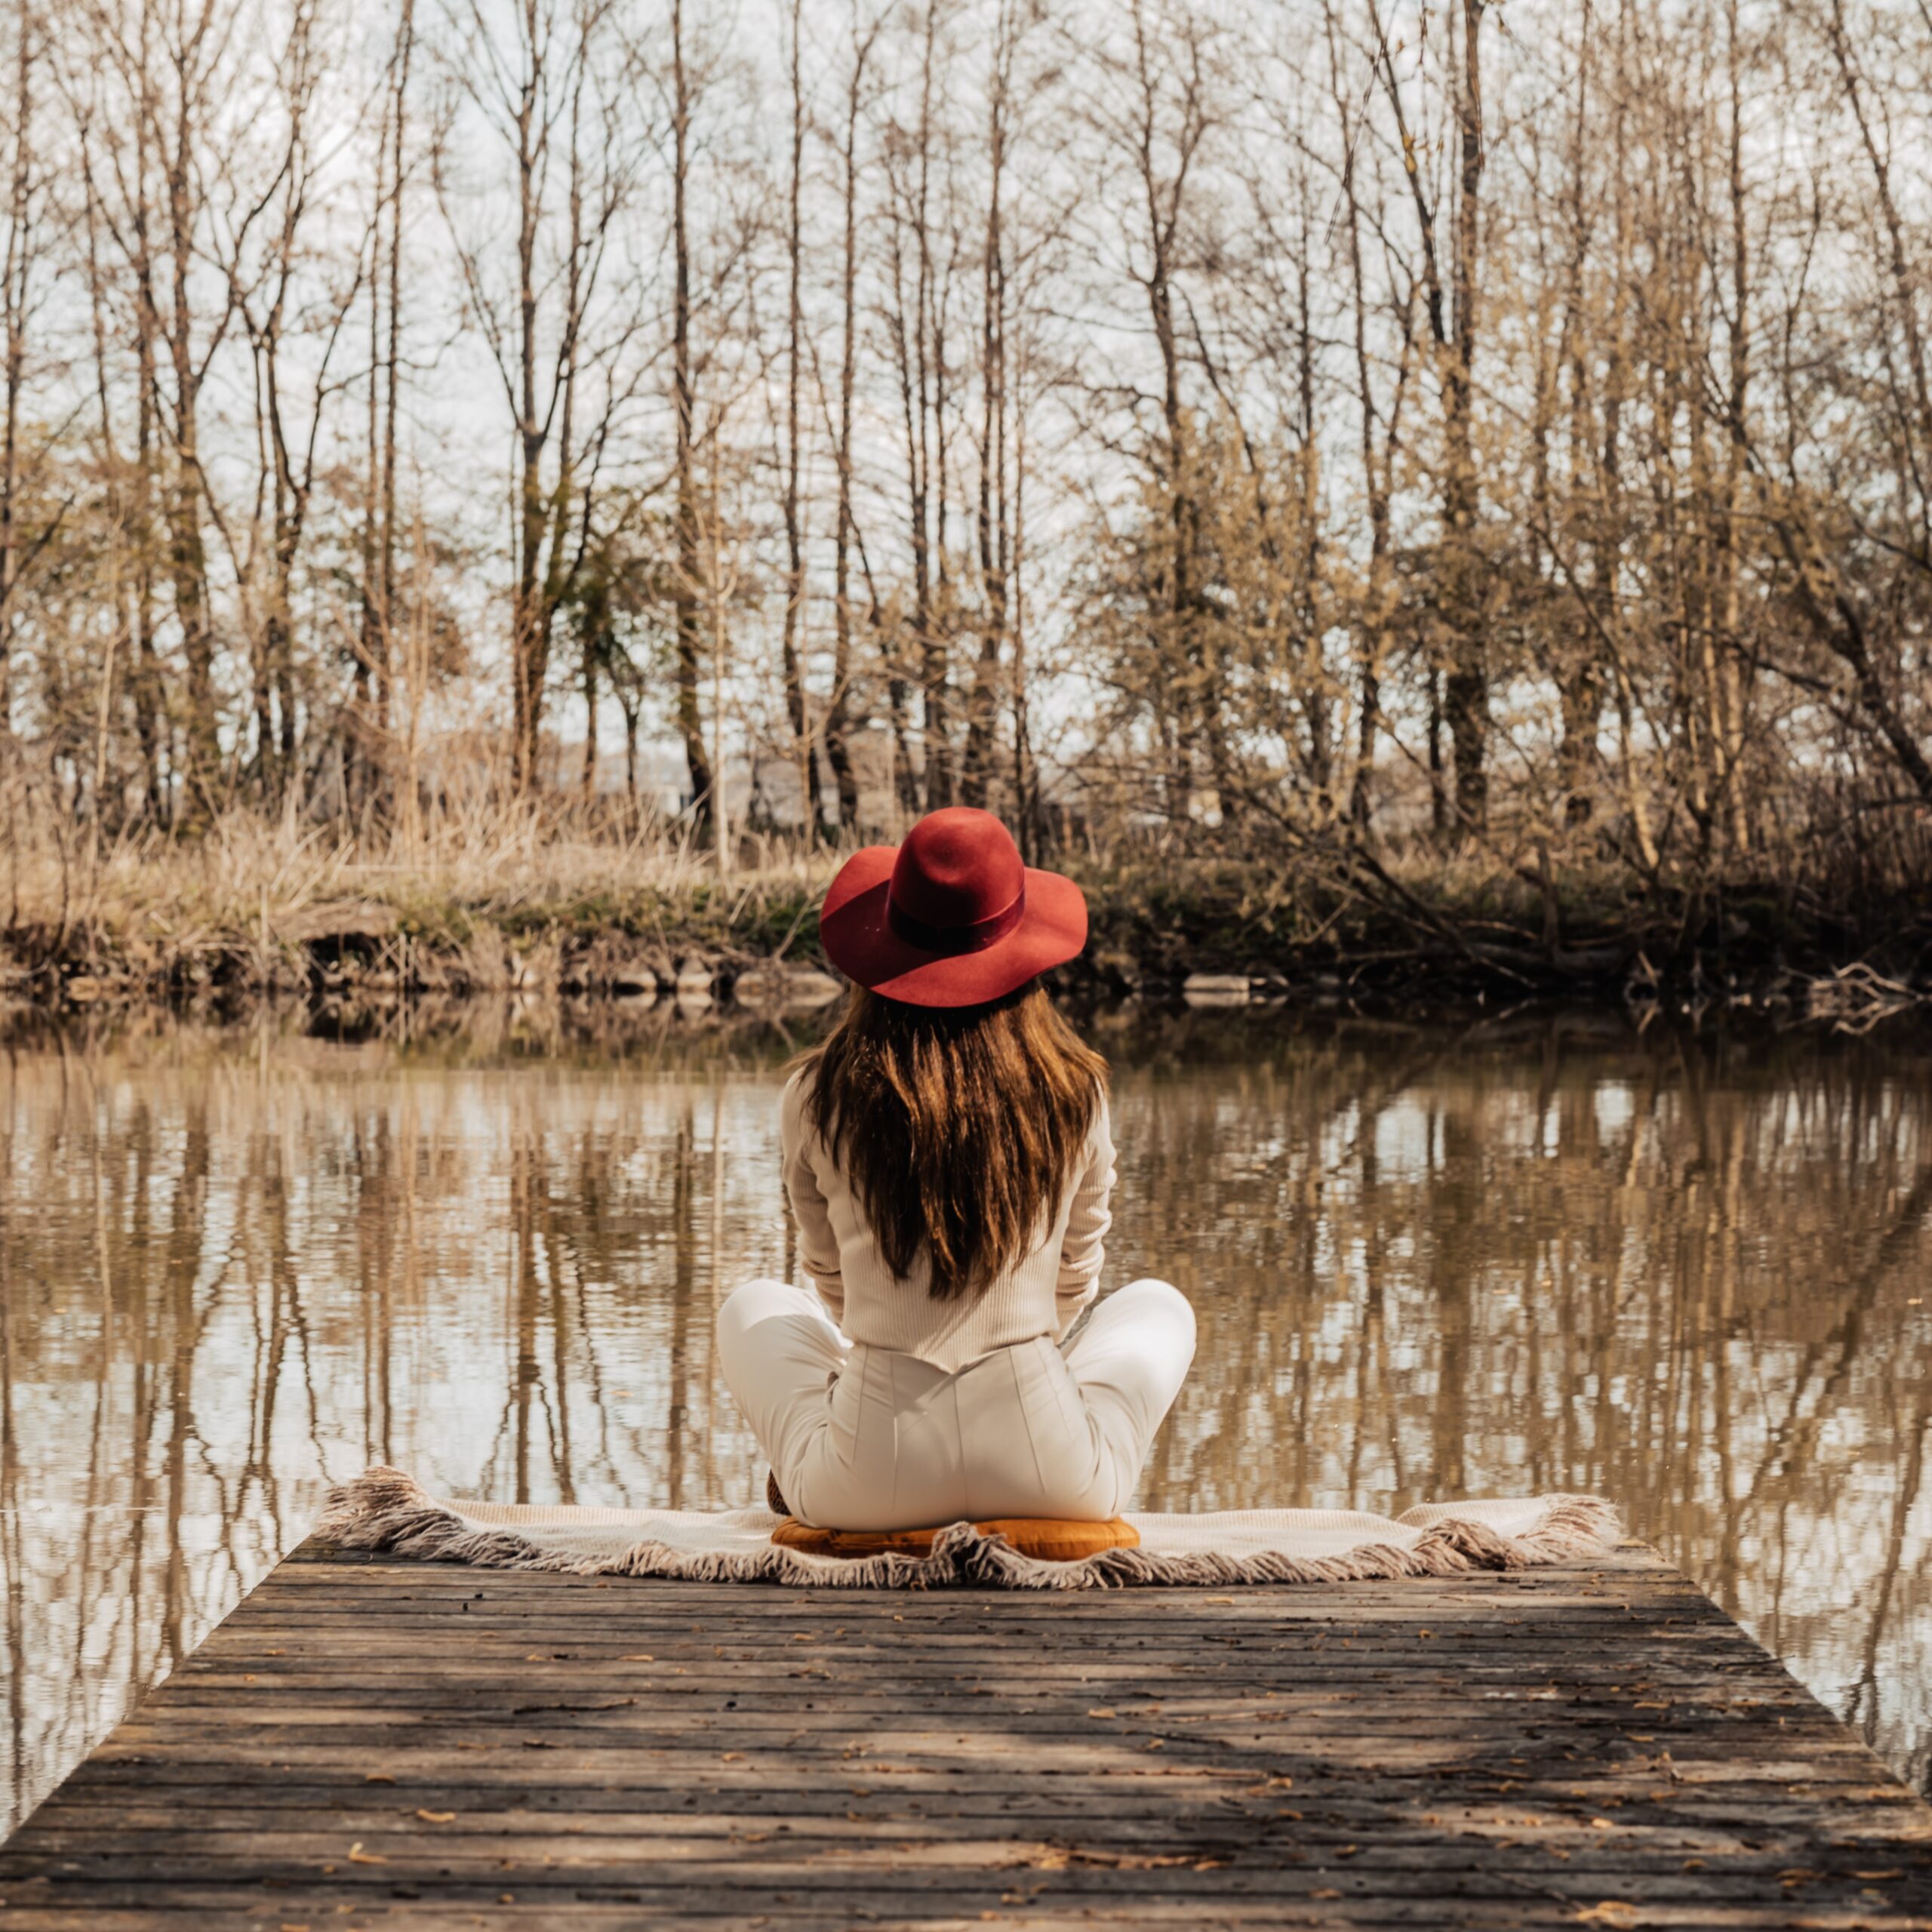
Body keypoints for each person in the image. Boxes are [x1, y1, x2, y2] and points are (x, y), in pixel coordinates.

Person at [716, 807, 1196, 1531]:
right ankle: (1063, 1421)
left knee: (753, 1305)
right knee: (1159, 1306)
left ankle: (818, 1438)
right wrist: (1023, 1352)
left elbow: (831, 1282)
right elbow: (1075, 1278)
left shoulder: (815, 1096)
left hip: (865, 1486)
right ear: (1024, 955)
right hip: (1053, 1477)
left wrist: (890, 1348)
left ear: (882, 949)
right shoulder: (1078, 1090)